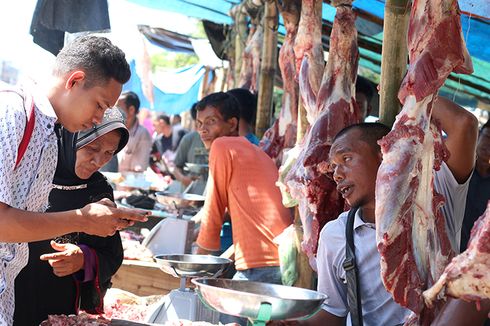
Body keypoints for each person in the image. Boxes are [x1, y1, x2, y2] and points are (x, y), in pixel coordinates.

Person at [275, 97, 478, 326]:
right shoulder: (337, 235)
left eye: (346, 158)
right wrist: (298, 324)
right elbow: (334, 312)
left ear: (385, 155)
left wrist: (413, 91)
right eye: (333, 168)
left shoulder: (435, 194)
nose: (337, 174)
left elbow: (465, 125)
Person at [0, 35, 149, 325]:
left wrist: (88, 235)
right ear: (75, 81)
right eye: (98, 105)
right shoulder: (12, 114)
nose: (97, 119)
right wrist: (83, 219)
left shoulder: (46, 134)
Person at [14, 108, 129, 325]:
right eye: (92, 148)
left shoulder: (98, 191)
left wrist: (83, 259)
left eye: (108, 153)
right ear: (70, 136)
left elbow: (111, 253)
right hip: (11, 294)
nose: (98, 160)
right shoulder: (27, 174)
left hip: (59, 305)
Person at [194, 91, 292, 284]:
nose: (202, 130)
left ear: (232, 124)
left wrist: (196, 268)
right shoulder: (254, 150)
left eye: (211, 121)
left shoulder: (222, 146)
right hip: (281, 263)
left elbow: (213, 213)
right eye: (199, 123)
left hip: (262, 268)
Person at [460, 119, 490, 251]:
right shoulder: (460, 166)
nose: (489, 145)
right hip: (440, 248)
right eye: (488, 137)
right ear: (479, 134)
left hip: (472, 259)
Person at [173, 103, 208, 189]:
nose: (204, 127)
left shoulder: (221, 140)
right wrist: (183, 179)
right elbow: (176, 168)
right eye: (199, 122)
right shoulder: (189, 139)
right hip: (190, 193)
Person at [116, 91, 152, 172]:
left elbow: (141, 167)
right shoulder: (117, 130)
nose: (115, 111)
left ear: (131, 110)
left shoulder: (143, 134)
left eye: (118, 108)